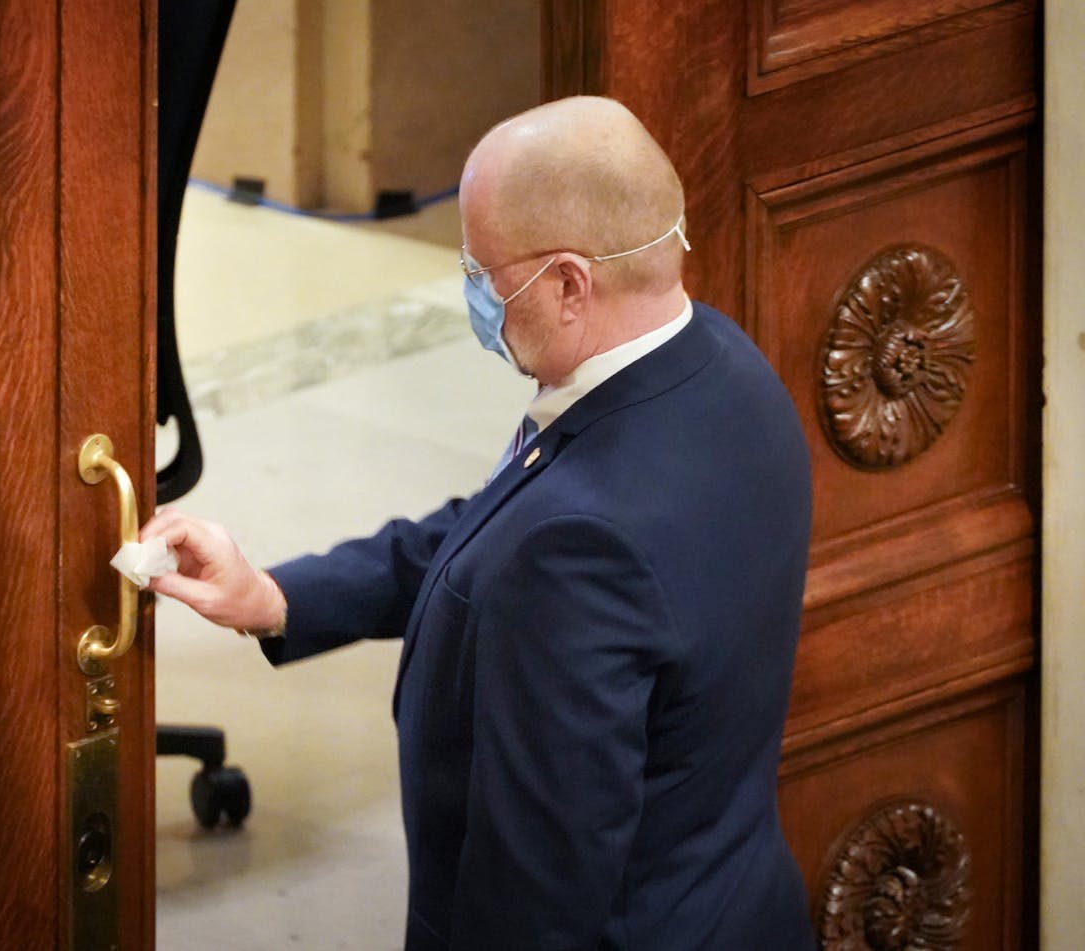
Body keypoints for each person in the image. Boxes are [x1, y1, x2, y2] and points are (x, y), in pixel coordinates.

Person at [142, 96, 815, 951]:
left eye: (481, 271)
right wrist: (277, 595)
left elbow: (536, 894)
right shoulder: (728, 371)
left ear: (571, 283)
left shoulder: (574, 551)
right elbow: (489, 529)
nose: (473, 294)